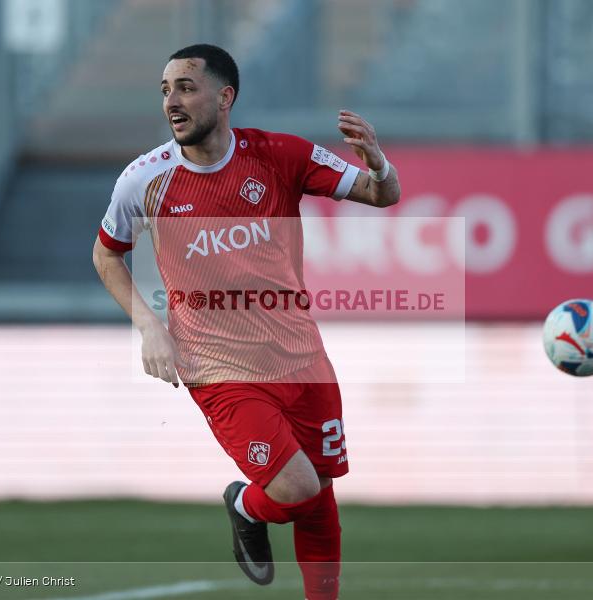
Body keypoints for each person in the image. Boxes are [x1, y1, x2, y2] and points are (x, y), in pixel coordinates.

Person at [92, 44, 400, 600]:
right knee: (299, 487)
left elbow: (383, 195)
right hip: (217, 364)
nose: (172, 102)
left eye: (186, 87)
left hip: (300, 354)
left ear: (224, 96)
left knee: (319, 492)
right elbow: (105, 254)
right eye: (165, 90)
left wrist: (377, 162)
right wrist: (150, 326)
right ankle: (243, 502)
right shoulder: (144, 181)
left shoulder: (281, 155)